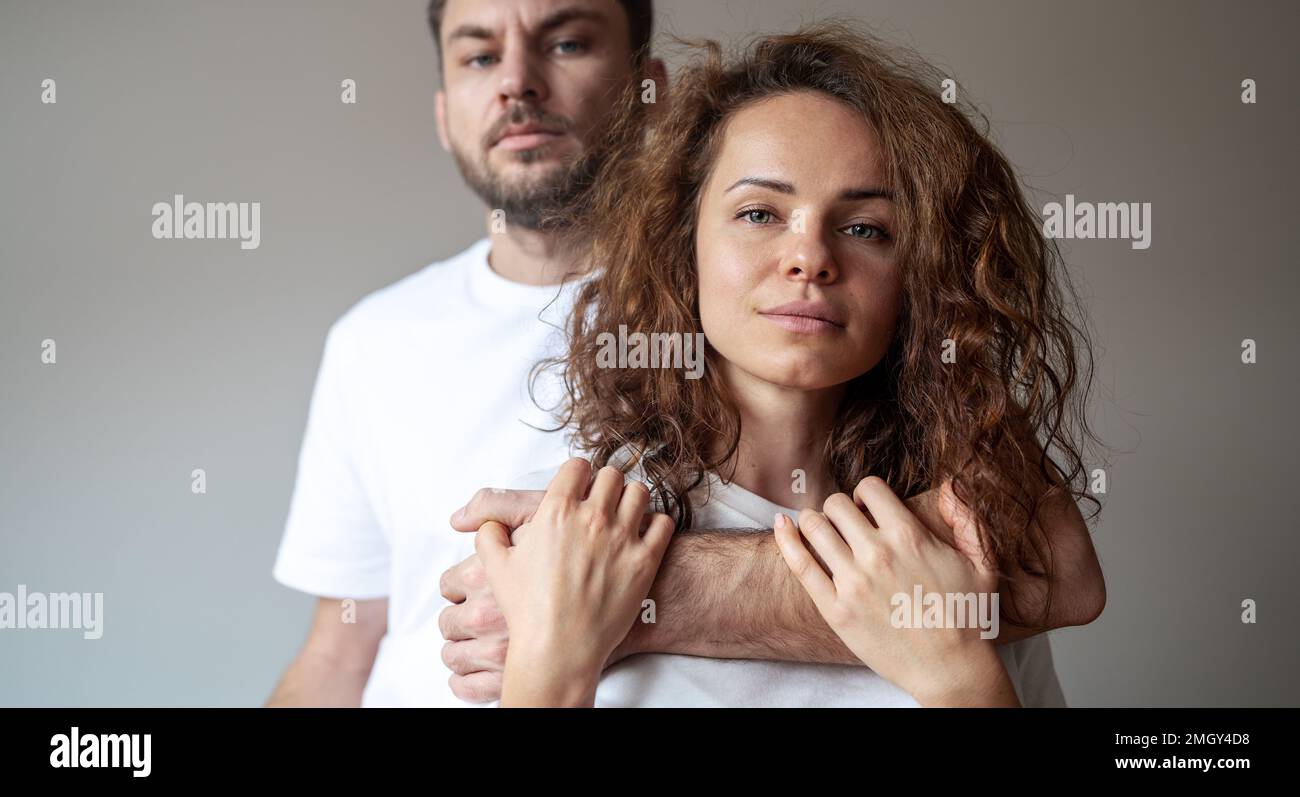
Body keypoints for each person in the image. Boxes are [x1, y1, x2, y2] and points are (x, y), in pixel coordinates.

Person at [450, 23, 1107, 706]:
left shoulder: (964, 547)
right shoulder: (565, 530)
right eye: (760, 213)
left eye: (865, 228)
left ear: (918, 276)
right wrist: (551, 669)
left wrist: (960, 678)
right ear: (684, 246)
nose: (810, 256)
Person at [265, 0, 663, 707]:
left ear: (649, 89)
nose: (517, 82)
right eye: (480, 56)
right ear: (446, 115)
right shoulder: (371, 341)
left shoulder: (754, 317)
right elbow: (340, 650)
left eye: (567, 43)